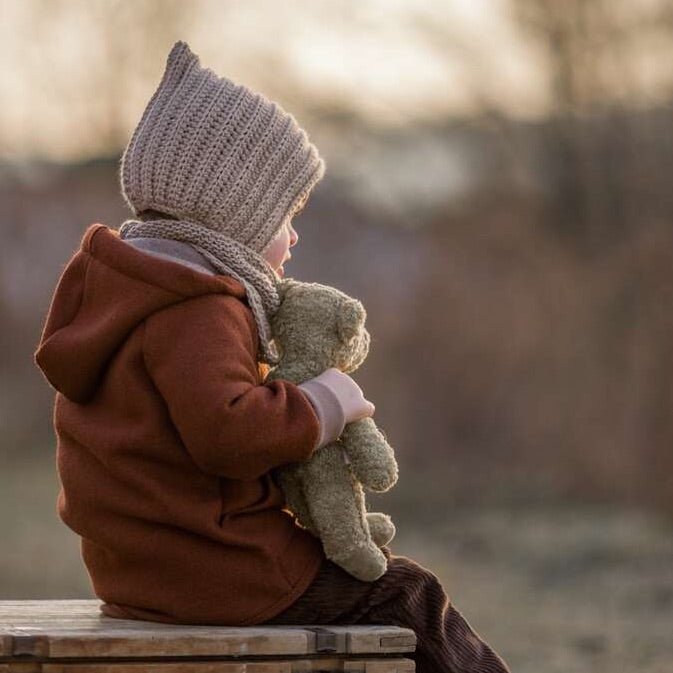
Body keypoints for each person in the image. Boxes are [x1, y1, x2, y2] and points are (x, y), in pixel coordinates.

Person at [34, 41, 510, 672]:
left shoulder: (123, 290)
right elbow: (227, 433)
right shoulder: (197, 305)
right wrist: (322, 404)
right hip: (222, 568)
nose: (294, 235)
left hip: (137, 571)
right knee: (406, 595)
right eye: (287, 216)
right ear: (239, 211)